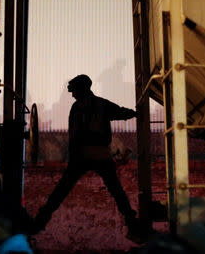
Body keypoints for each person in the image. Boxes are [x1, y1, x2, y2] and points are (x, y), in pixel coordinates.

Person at [32, 74, 140, 238]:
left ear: (80, 89)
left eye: (74, 91)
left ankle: (39, 222)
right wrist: (136, 113)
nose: (73, 94)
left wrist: (72, 158)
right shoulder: (102, 104)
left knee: (60, 191)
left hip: (80, 156)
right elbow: (121, 113)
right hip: (101, 155)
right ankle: (132, 224)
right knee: (117, 192)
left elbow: (73, 136)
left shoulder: (76, 108)